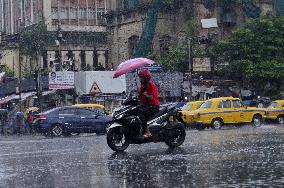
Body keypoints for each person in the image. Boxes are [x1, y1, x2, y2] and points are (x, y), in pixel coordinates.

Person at [137, 69, 159, 138]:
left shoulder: (151, 85)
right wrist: (139, 94)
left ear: (146, 77)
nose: (140, 79)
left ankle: (147, 131)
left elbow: (151, 97)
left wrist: (144, 94)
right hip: (146, 106)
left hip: (153, 106)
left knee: (141, 113)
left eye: (142, 77)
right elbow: (141, 98)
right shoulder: (143, 87)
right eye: (140, 77)